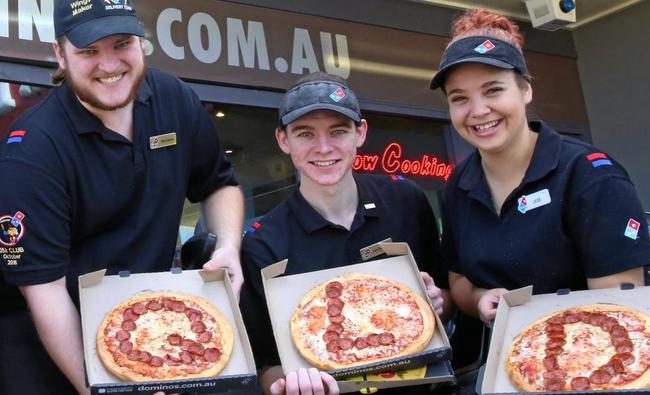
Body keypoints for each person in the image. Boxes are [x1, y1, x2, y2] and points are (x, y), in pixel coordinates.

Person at [0, 1, 244, 394]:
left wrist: (229, 247)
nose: (109, 64)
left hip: (153, 327)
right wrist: (104, 388)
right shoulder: (32, 152)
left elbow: (219, 185)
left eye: (121, 43)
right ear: (60, 54)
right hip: (50, 351)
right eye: (88, 51)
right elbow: (45, 292)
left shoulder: (173, 98)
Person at [431, 8, 650, 343]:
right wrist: (479, 299)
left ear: (525, 90)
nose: (477, 111)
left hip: (585, 359)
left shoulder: (590, 175)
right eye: (460, 98)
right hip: (493, 369)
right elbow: (458, 279)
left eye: (493, 90)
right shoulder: (458, 186)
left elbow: (619, 308)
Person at [239, 71, 452, 395]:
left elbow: (446, 297)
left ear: (360, 133)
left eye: (338, 131)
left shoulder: (405, 200)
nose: (323, 147)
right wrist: (287, 386)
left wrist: (437, 302)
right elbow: (265, 365)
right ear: (284, 140)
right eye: (305, 134)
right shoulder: (263, 241)